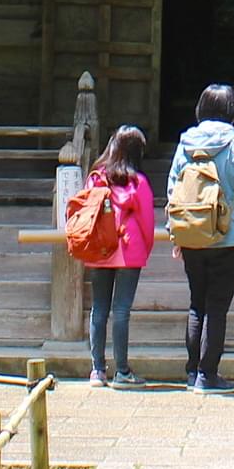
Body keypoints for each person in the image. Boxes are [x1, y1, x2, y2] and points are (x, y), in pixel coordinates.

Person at [165, 83, 234, 392]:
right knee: (216, 307)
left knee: (197, 304)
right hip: (229, 236)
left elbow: (173, 190)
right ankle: (208, 375)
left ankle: (193, 373)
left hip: (192, 234)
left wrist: (176, 232)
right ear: (232, 110)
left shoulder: (185, 144)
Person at [80, 124, 155, 388]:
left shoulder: (95, 178)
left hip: (99, 247)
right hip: (128, 249)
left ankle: (97, 370)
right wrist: (145, 249)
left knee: (98, 309)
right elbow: (147, 222)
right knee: (121, 310)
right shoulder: (138, 182)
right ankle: (122, 371)